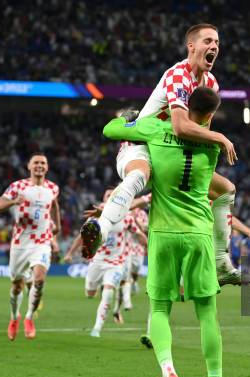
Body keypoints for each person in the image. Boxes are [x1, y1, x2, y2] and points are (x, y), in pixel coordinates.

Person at [102, 86, 235, 377]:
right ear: (212, 115)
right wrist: (217, 135)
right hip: (199, 233)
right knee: (207, 315)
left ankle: (168, 370)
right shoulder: (213, 144)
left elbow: (110, 130)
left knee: (160, 310)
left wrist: (134, 119)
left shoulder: (158, 129)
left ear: (182, 105)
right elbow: (223, 187)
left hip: (163, 233)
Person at [80, 23, 241, 286]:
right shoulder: (178, 75)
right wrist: (219, 137)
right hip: (143, 144)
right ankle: (102, 229)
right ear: (191, 46)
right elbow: (180, 126)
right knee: (140, 173)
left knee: (226, 190)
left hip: (175, 153)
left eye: (217, 43)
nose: (214, 47)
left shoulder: (211, 83)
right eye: (208, 41)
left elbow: (199, 131)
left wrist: (203, 162)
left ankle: (222, 264)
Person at [0, 153, 61, 341]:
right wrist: (14, 202)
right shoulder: (18, 186)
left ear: (47, 167)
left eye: (43, 163)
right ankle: (15, 317)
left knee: (39, 279)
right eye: (36, 162)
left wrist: (57, 226)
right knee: (17, 286)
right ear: (29, 166)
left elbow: (54, 205)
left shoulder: (53, 188)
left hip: (42, 242)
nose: (39, 165)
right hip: (21, 243)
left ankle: (29, 317)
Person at [64, 189, 147, 337]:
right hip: (97, 261)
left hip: (116, 262)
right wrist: (70, 253)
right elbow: (82, 236)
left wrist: (150, 247)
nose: (110, 198)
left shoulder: (126, 217)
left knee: (108, 293)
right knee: (90, 293)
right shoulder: (96, 216)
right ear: (104, 199)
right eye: (108, 195)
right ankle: (100, 286)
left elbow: (139, 235)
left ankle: (97, 328)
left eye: (113, 196)